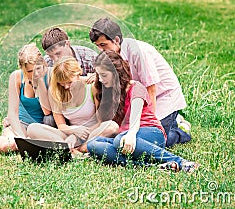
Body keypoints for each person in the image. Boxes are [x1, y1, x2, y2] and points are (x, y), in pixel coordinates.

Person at [87, 51, 198, 172]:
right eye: (99, 75)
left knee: (119, 141)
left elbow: (135, 119)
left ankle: (181, 162)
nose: (101, 80)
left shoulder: (136, 87)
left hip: (150, 132)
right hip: (125, 138)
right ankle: (153, 166)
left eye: (104, 75)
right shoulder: (107, 92)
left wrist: (130, 135)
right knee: (93, 145)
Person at [89, 17, 191, 147]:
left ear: (116, 40)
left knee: (155, 141)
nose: (101, 50)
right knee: (125, 133)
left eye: (103, 45)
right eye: (97, 46)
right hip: (139, 101)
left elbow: (151, 89)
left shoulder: (139, 52)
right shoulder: (112, 55)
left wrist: (152, 123)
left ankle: (179, 131)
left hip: (162, 98)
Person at [27, 57, 119, 153]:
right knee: (32, 128)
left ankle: (75, 149)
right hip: (69, 134)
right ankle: (68, 148)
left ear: (78, 73)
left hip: (92, 132)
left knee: (112, 126)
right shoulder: (55, 92)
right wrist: (73, 131)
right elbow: (61, 125)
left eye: (69, 82)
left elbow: (100, 122)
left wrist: (77, 136)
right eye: (62, 84)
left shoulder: (91, 87)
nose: (66, 86)